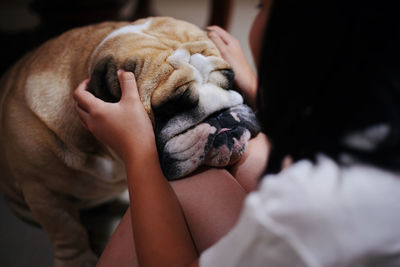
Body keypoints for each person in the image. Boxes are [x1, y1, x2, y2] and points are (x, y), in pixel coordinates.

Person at [73, 0, 400, 266]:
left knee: (186, 178)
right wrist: (257, 91)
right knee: (247, 149)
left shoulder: (303, 209)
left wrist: (139, 152)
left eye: (262, 6)